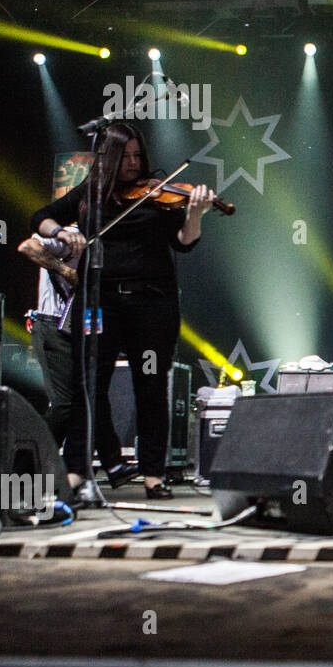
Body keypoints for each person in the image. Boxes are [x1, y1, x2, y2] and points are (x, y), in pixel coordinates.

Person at [30, 122, 215, 501]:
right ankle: (78, 471)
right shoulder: (90, 193)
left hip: (151, 305)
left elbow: (184, 243)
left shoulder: (157, 193)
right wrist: (61, 233)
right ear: (109, 156)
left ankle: (152, 474)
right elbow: (42, 217)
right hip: (100, 302)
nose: (133, 164)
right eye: (125, 156)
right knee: (89, 386)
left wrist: (195, 214)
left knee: (150, 386)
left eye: (138, 156)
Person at [17, 225, 80, 448]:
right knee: (64, 404)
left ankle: (67, 467)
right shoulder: (69, 235)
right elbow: (28, 246)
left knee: (81, 404)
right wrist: (67, 272)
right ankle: (27, 464)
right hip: (53, 326)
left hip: (78, 328)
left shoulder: (102, 241)